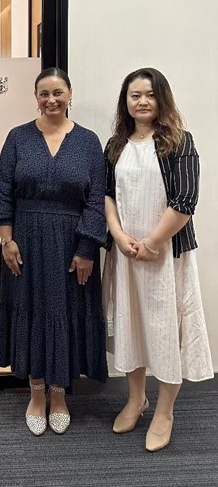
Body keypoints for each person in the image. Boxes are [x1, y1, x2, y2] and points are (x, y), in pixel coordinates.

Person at [0, 67, 108, 436]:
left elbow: (96, 201)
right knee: (32, 310)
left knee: (63, 310)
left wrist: (87, 248)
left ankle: (59, 394)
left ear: (70, 95)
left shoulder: (88, 142)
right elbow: (3, 193)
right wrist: (6, 240)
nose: (51, 99)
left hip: (72, 245)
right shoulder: (18, 137)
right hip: (24, 242)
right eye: (44, 93)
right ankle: (36, 393)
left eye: (58, 92)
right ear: (36, 98)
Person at [102, 67, 213, 452]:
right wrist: (120, 237)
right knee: (130, 325)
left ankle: (165, 411)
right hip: (126, 255)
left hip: (166, 255)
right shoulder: (116, 144)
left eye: (150, 94)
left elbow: (185, 201)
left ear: (162, 98)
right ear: (126, 101)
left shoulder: (179, 142)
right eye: (135, 95)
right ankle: (136, 399)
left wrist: (152, 242)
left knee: (166, 330)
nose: (143, 101)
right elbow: (106, 195)